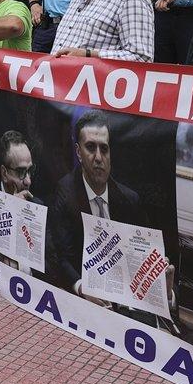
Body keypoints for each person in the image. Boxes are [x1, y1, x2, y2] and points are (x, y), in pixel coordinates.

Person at [45, 111, 147, 292]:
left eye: (104, 149)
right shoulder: (64, 194)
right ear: (78, 152)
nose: (98, 157)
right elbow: (60, 258)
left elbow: (140, 257)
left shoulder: (129, 200)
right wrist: (81, 287)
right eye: (91, 148)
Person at [0, 130, 39, 203]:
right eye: (20, 172)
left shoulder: (38, 206)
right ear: (4, 174)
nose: (28, 181)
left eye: (30, 170)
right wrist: (12, 206)